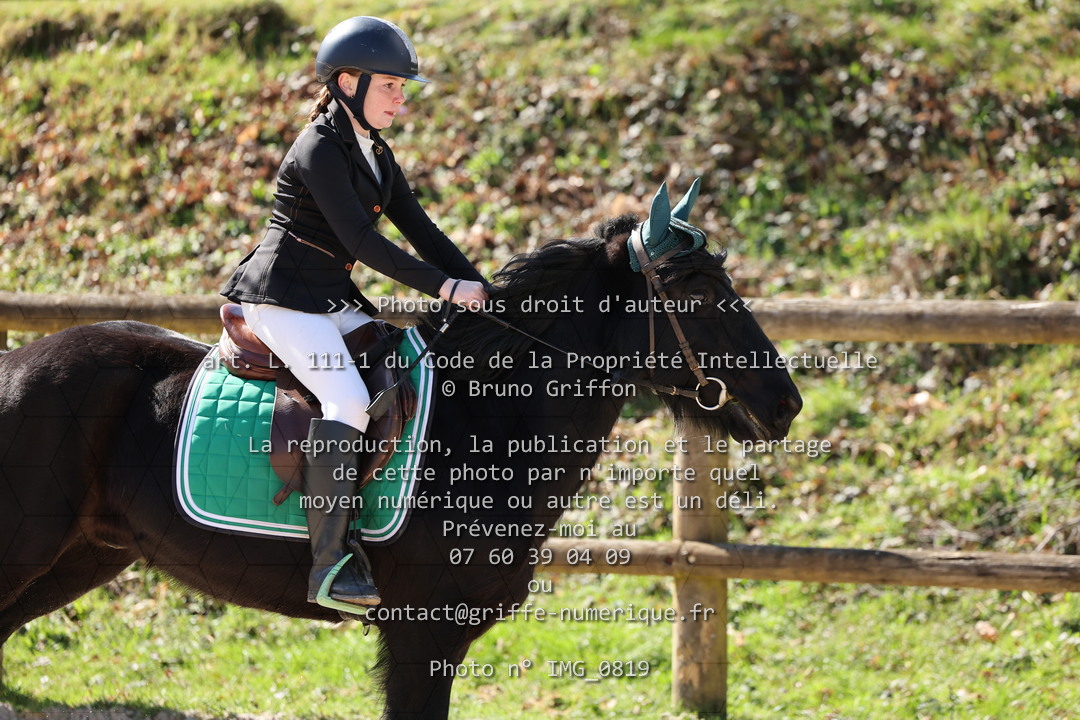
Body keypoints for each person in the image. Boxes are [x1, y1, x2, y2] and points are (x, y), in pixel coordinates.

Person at [221, 16, 488, 611]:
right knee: (346, 401)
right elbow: (363, 243)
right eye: (389, 85)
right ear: (347, 82)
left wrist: (484, 289)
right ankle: (329, 565)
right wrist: (446, 288)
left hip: (327, 299)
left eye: (402, 87)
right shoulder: (318, 147)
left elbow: (423, 231)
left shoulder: (375, 151)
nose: (400, 98)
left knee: (398, 365)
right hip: (280, 300)